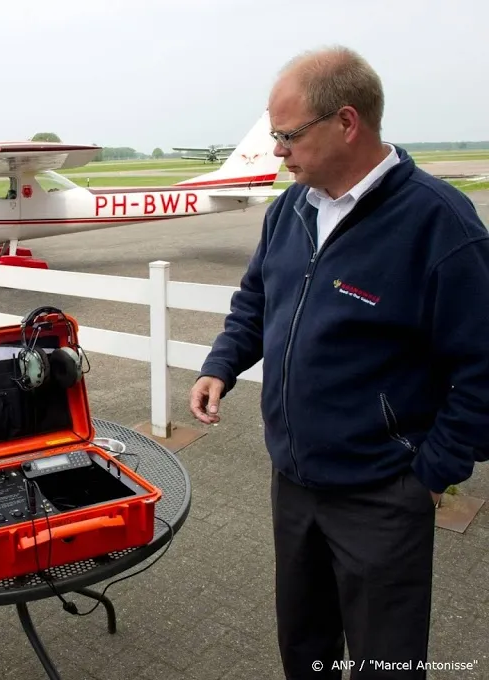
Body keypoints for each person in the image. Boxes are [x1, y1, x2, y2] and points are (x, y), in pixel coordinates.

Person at [189, 46, 489, 679]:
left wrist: (429, 476)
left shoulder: (439, 224)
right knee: (306, 650)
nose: (277, 152)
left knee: (385, 664)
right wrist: (222, 363)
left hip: (384, 495)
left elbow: (482, 371)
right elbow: (256, 300)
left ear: (346, 123)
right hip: (294, 484)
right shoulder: (290, 210)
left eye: (287, 135)